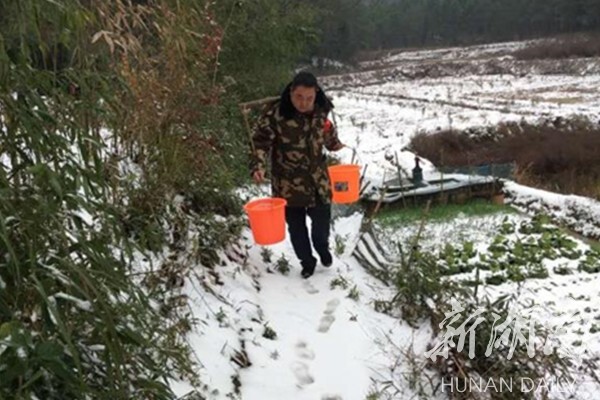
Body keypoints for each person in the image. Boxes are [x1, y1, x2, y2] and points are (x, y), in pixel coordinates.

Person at [249, 71, 344, 278]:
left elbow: (330, 142)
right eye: (299, 97)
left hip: (317, 180)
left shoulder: (322, 109)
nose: (303, 103)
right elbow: (260, 142)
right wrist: (258, 166)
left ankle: (322, 248)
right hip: (287, 183)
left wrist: (332, 135)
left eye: (309, 98)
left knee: (321, 225)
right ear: (291, 92)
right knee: (297, 228)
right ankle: (307, 262)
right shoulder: (276, 114)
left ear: (315, 93)